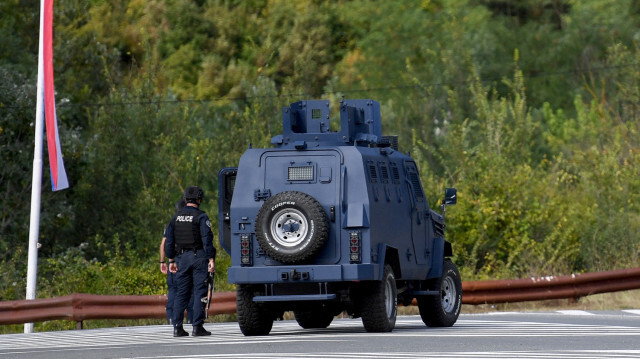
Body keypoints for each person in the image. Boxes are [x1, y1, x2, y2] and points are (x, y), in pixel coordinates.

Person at [165, 186, 216, 337]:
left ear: (185, 199)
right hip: (199, 257)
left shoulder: (176, 218)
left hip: (181, 259)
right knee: (199, 291)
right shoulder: (201, 217)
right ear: (199, 200)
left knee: (182, 293)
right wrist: (211, 259)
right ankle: (197, 326)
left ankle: (177, 327)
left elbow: (169, 241)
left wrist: (171, 260)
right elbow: (207, 239)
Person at [160, 198, 193, 325]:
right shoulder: (192, 220)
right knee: (190, 288)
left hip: (173, 260)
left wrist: (163, 262)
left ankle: (171, 318)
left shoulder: (172, 222)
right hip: (188, 259)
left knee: (174, 289)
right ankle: (191, 318)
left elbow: (164, 243)